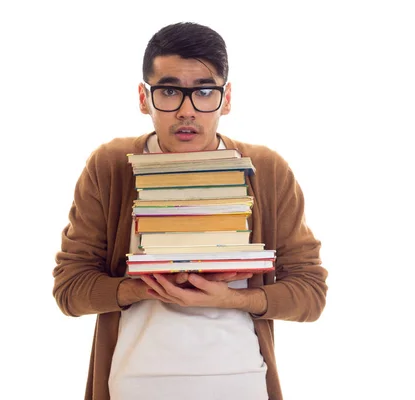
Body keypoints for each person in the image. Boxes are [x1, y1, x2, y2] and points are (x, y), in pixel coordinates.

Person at [53, 21, 328, 400]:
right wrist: (143, 288)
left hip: (240, 380)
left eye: (203, 91)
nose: (186, 110)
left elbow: (310, 293)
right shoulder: (111, 165)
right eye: (169, 91)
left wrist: (234, 299)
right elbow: (70, 289)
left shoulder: (265, 169)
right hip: (135, 384)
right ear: (143, 97)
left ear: (226, 98)